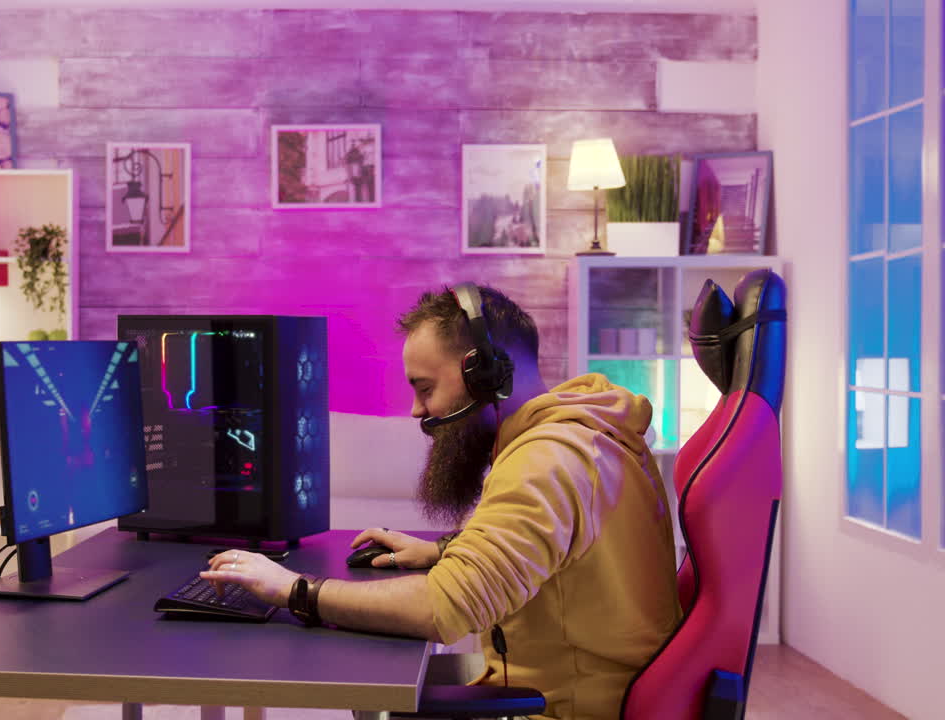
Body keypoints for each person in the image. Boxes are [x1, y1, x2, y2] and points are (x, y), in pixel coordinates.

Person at [201, 284, 681, 720]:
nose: (416, 410)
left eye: (425, 388)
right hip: (576, 691)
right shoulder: (579, 433)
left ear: (485, 373)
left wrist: (294, 589)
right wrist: (442, 550)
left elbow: (444, 608)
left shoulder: (547, 460)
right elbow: (556, 544)